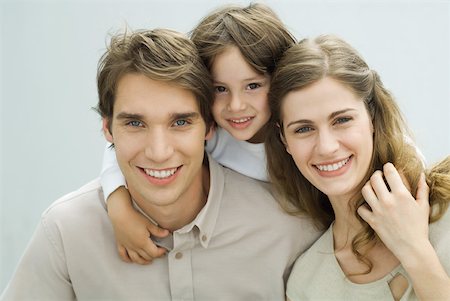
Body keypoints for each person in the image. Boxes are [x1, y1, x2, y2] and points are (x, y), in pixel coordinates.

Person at [0, 28, 321, 301]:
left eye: (180, 122)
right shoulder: (65, 232)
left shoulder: (290, 228)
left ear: (210, 128)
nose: (158, 151)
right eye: (135, 124)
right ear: (107, 129)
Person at [101, 3, 298, 264]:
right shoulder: (211, 134)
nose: (236, 105)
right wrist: (119, 207)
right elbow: (122, 145)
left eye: (252, 85)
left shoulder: (301, 135)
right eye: (219, 89)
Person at [265, 35, 450, 300]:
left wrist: (414, 249)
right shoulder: (306, 283)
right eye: (304, 129)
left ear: (372, 116)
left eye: (341, 120)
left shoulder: (445, 210)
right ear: (284, 140)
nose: (326, 147)